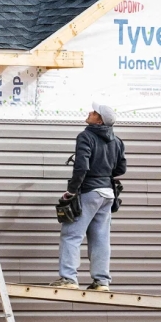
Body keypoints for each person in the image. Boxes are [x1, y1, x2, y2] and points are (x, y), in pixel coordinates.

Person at [49, 102, 127, 291]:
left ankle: (68, 279)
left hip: (89, 191)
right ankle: (102, 282)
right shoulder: (117, 141)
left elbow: (81, 166)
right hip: (108, 193)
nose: (90, 112)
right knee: (100, 238)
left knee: (72, 235)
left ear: (99, 120)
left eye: (94, 112)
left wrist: (73, 190)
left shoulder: (86, 136)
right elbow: (121, 168)